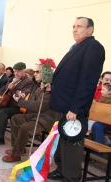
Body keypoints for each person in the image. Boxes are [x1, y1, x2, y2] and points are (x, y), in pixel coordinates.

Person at [47, 17, 105, 181]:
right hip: (64, 104)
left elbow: (87, 81)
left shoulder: (93, 47)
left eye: (79, 26)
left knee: (72, 143)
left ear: (90, 29)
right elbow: (71, 77)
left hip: (73, 108)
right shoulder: (77, 47)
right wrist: (54, 86)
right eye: (73, 26)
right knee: (63, 140)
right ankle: (61, 169)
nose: (75, 29)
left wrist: (76, 108)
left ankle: (71, 177)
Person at [2, 67, 55, 162]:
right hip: (34, 116)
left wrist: (21, 101)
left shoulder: (49, 90)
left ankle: (16, 154)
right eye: (34, 72)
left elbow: (38, 106)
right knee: (15, 118)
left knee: (25, 127)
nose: (35, 74)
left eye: (38, 72)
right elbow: (32, 101)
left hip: (45, 119)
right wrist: (21, 96)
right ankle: (18, 148)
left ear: (46, 74)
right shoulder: (40, 88)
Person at [91, 83, 111, 155]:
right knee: (97, 125)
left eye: (103, 90)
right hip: (105, 123)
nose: (101, 91)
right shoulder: (102, 98)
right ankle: (97, 154)